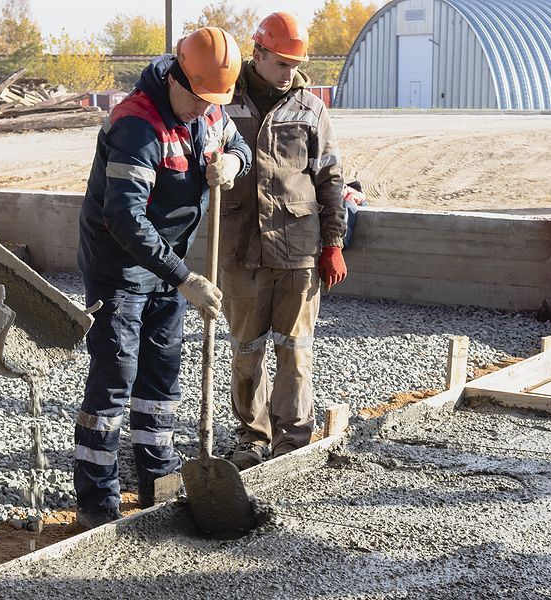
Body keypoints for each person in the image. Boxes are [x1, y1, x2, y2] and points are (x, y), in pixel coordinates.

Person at [75, 27, 251, 528]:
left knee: (160, 376)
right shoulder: (137, 125)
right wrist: (184, 278)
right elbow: (125, 218)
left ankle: (160, 479)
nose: (205, 111)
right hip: (119, 267)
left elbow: (240, 144)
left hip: (171, 266)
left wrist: (233, 163)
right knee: (115, 378)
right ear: (177, 78)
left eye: (213, 102)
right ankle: (97, 501)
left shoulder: (208, 110)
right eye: (199, 100)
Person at [219, 12, 347, 470]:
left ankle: (292, 441)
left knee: (294, 350)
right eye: (281, 63)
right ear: (257, 54)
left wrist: (333, 242)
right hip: (239, 249)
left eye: (295, 64)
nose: (289, 72)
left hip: (298, 248)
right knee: (247, 349)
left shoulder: (310, 109)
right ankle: (253, 436)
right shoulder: (224, 102)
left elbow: (330, 179)